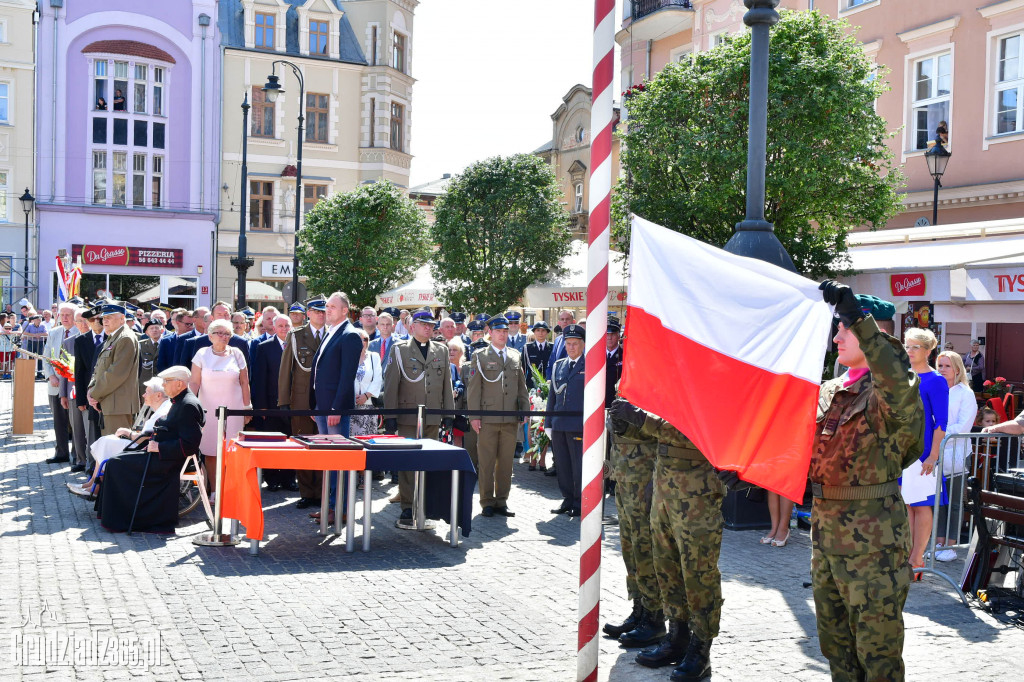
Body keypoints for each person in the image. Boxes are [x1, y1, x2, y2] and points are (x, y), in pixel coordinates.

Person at [813, 282, 924, 682]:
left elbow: (895, 378)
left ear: (871, 331)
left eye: (845, 327)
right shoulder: (829, 390)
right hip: (826, 540)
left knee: (877, 656)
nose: (837, 335)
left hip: (873, 547)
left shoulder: (891, 392)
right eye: (839, 327)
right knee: (836, 649)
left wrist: (859, 319)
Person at [609, 398, 727, 680]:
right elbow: (656, 433)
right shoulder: (674, 380)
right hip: (664, 487)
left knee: (698, 574)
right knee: (667, 569)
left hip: (696, 492)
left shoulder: (709, 383)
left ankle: (701, 650)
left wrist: (640, 418)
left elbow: (693, 431)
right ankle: (677, 637)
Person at [93, 366, 204, 533]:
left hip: (169, 459)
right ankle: (119, 515)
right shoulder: (179, 401)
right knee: (115, 460)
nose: (164, 385)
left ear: (180, 384)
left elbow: (190, 444)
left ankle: (124, 518)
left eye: (167, 382)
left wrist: (160, 447)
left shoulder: (188, 404)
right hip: (159, 454)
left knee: (116, 465)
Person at [381, 308, 454, 526]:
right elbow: (391, 385)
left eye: (431, 325)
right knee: (408, 463)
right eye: (424, 324)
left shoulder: (441, 350)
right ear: (412, 327)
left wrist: (448, 413)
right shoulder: (400, 349)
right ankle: (407, 505)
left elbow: (446, 386)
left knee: (428, 461)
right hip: (408, 416)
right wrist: (391, 415)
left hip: (431, 416)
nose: (428, 328)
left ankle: (425, 504)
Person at [466, 315, 529, 518]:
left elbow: (522, 386)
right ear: (490, 333)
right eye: (498, 331)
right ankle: (486, 502)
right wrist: (474, 416)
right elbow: (474, 389)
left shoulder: (515, 355)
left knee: (506, 463)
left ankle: (502, 500)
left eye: (504, 331)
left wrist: (524, 410)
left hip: (510, 417)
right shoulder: (480, 355)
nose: (502, 334)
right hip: (487, 417)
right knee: (486, 462)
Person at [68, 377, 172, 497]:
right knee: (106, 441)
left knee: (106, 442)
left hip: (143, 451)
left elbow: (146, 437)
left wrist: (128, 433)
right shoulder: (162, 408)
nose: (143, 395)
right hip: (142, 446)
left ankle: (95, 486)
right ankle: (92, 483)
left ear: (158, 396)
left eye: (147, 392)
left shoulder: (163, 411)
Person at [900, 327, 947, 572]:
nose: (909, 351)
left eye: (915, 346)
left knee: (921, 504)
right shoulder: (902, 375)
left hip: (922, 451)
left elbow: (941, 421)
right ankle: (906, 556)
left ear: (928, 351)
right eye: (907, 346)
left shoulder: (936, 380)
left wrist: (933, 454)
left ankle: (917, 560)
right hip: (900, 449)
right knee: (906, 504)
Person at [190, 319, 251, 491]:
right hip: (208, 408)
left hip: (234, 408)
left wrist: (247, 407)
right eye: (219, 333)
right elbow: (194, 382)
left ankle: (231, 489)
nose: (224, 337)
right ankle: (215, 490)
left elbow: (244, 382)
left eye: (227, 334)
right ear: (210, 336)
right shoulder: (201, 354)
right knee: (210, 451)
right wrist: (187, 406)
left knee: (233, 449)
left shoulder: (237, 353)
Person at [279, 297, 326, 508]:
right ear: (308, 313)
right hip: (300, 400)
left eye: (324, 311)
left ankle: (322, 492)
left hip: (325, 402)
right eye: (316, 311)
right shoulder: (296, 335)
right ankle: (307, 492)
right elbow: (286, 370)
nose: (321, 315)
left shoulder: (333, 334)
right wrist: (284, 401)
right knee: (304, 445)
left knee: (325, 447)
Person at [934, 350, 977, 559]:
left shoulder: (965, 393)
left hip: (957, 453)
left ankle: (950, 545)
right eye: (940, 365)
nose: (942, 369)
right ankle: (938, 543)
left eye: (947, 366)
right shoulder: (935, 389)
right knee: (939, 500)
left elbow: (964, 425)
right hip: (936, 452)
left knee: (954, 501)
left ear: (957, 369)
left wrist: (940, 433)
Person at [546, 324, 586, 517]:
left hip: (578, 426)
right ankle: (567, 499)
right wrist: (547, 423)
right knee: (562, 465)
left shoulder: (591, 364)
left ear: (583, 344)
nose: (571, 347)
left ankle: (579, 502)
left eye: (575, 344)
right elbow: (552, 396)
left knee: (578, 466)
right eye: (568, 343)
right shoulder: (558, 365)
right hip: (559, 424)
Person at [252, 315, 294, 491]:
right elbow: (259, 378)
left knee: (290, 443)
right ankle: (272, 479)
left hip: (292, 405)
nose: (284, 329)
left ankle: (288, 479)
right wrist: (260, 406)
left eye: (287, 325)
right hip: (271, 404)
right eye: (281, 326)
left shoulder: (297, 346)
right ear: (274, 328)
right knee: (272, 442)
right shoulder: (264, 347)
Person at [87, 303, 141, 436]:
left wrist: (94, 393)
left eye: (109, 317)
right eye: (103, 318)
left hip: (118, 405)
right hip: (110, 403)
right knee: (110, 448)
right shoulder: (114, 337)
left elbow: (116, 373)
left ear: (122, 318)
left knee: (116, 449)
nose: (104, 321)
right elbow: (99, 368)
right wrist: (91, 388)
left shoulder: (125, 338)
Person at [43, 303, 80, 464]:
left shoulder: (81, 333)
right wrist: (51, 376)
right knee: (59, 421)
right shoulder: (54, 333)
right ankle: (61, 452)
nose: (64, 318)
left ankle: (77, 454)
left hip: (73, 384)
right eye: (62, 315)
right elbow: (47, 357)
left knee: (75, 421)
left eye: (68, 315)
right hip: (56, 384)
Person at [60, 309, 92, 470]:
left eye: (86, 320)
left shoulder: (96, 339)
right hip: (73, 391)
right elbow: (63, 371)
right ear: (75, 323)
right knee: (77, 427)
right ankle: (80, 460)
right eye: (80, 321)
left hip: (91, 392)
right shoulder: (68, 342)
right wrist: (63, 394)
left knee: (89, 427)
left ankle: (91, 461)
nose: (83, 324)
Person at [351, 328, 383, 437]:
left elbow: (378, 379)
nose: (363, 342)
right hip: (350, 405)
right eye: (359, 339)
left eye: (365, 339)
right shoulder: (346, 356)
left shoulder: (374, 356)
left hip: (368, 406)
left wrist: (366, 396)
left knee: (367, 439)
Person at [547, 310, 576, 378]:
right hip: (556, 382)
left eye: (567, 319)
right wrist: (549, 379)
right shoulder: (557, 340)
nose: (565, 321)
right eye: (562, 319)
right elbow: (551, 362)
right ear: (559, 323)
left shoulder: (578, 340)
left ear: (573, 321)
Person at [524, 321, 553, 385]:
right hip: (531, 384)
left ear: (547, 332)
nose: (540, 333)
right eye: (538, 330)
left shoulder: (552, 347)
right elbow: (524, 368)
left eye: (543, 330)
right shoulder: (527, 348)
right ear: (534, 332)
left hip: (548, 384)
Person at [138, 321, 162, 395]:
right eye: (151, 328)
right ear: (146, 332)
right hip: (145, 385)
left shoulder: (168, 343)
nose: (154, 330)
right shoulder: (140, 345)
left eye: (157, 328)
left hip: (162, 384)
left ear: (162, 330)